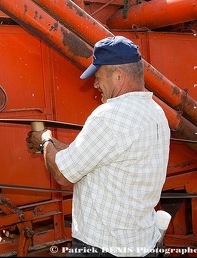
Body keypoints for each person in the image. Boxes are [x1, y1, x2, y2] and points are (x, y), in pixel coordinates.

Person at [26, 36, 170, 257]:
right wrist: (54, 145)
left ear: (119, 77)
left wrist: (45, 141)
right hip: (142, 243)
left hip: (102, 248)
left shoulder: (109, 116)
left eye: (99, 77)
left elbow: (63, 174)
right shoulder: (156, 112)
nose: (95, 84)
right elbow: (95, 157)